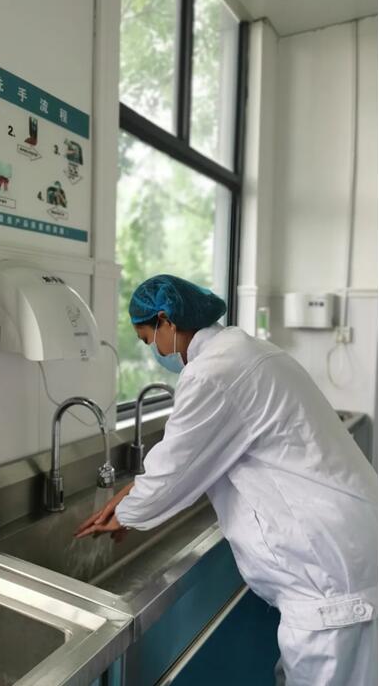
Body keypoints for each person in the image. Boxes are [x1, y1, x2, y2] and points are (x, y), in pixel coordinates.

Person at [75, 274, 378, 686]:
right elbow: (192, 458)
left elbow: (175, 468)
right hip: (346, 549)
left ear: (166, 321)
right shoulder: (247, 350)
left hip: (329, 574)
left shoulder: (211, 373)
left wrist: (127, 512)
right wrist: (136, 495)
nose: (154, 352)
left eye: (149, 340)